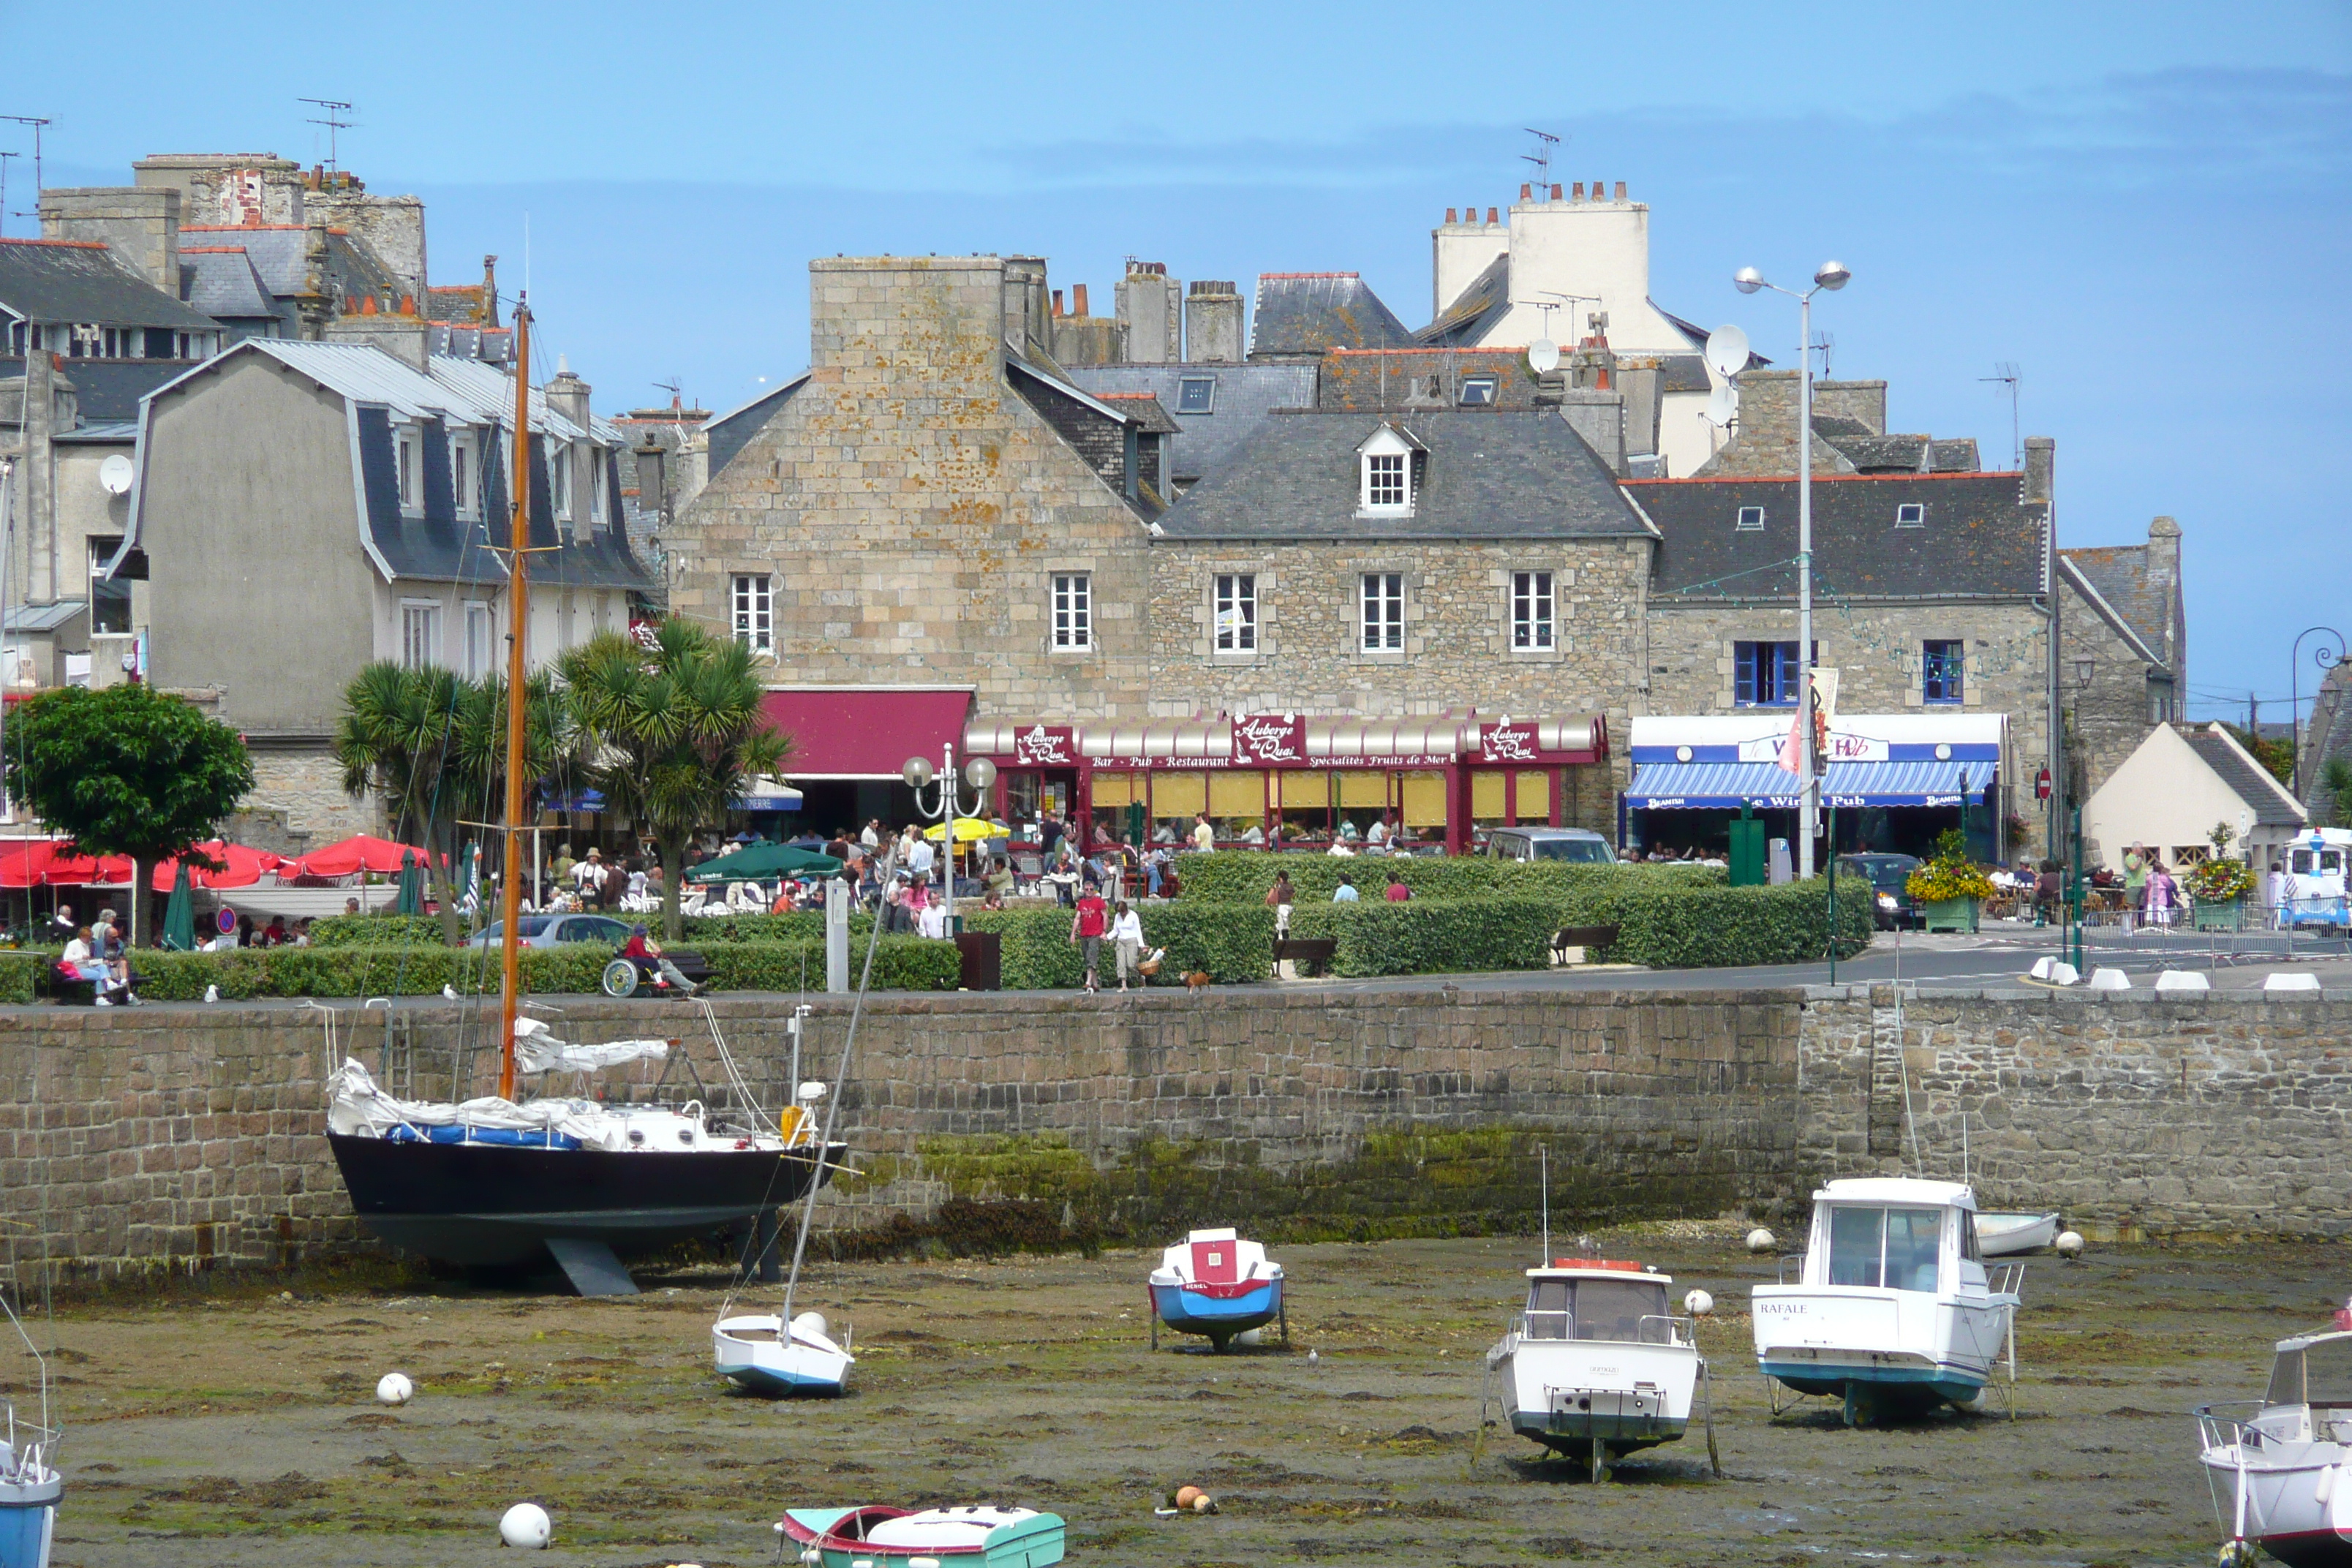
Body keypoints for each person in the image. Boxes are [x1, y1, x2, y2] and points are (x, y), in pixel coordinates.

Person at [619, 924, 699, 995]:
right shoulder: (637, 940)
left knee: (672, 969)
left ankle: (690, 986)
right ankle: (690, 987)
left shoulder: (644, 941)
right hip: (645, 961)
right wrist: (652, 955)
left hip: (655, 959)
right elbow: (642, 954)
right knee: (669, 969)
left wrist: (648, 941)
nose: (646, 934)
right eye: (644, 933)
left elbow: (659, 951)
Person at [1070, 879, 1109, 993]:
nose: (1089, 891)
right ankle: (1096, 984)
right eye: (1087, 889)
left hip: (1095, 934)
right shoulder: (1082, 903)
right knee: (1088, 959)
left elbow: (1105, 916)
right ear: (1084, 890)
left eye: (1091, 889)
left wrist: (1104, 931)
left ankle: (1088, 982)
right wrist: (1073, 933)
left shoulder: (1099, 902)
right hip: (1084, 934)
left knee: (1092, 957)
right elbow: (1077, 918)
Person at [1110, 898, 1145, 991]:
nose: (1122, 914)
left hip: (1132, 940)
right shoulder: (1117, 916)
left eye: (1123, 912)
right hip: (1121, 940)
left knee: (1131, 964)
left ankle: (1140, 976)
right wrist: (1108, 937)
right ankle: (1124, 985)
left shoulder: (1133, 915)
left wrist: (1142, 945)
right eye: (1120, 912)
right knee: (1121, 963)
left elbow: (1138, 931)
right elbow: (1115, 930)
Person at [1265, 870, 1295, 939]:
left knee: (1280, 925)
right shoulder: (1290, 886)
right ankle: (1288, 938)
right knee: (1287, 924)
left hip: (1281, 906)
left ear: (1280, 877)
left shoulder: (1277, 885)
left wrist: (1267, 902)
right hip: (1289, 906)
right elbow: (1293, 895)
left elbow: (1270, 895)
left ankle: (1280, 940)